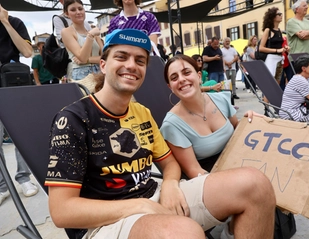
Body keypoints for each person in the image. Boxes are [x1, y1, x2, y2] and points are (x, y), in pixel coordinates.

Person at [45, 28, 275, 239]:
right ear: (103, 65)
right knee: (184, 233)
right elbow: (62, 212)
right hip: (104, 222)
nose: (132, 65)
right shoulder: (73, 119)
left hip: (153, 197)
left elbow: (169, 163)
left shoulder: (141, 113)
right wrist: (140, 206)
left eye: (140, 60)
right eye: (122, 57)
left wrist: (171, 184)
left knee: (255, 184)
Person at [160, 54, 275, 238]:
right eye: (174, 78)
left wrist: (250, 120)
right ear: (170, 87)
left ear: (198, 76)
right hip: (207, 177)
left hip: (239, 163)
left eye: (186, 72)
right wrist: (233, 187)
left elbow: (238, 133)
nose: (181, 80)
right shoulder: (171, 125)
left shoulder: (221, 99)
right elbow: (193, 170)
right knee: (252, 193)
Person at [0, 6, 38, 205]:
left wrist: (5, 22)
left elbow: (27, 51)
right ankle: (2, 185)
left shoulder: (15, 22)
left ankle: (24, 178)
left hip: (14, 82)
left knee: (20, 136)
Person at [61, 0, 103, 81]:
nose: (78, 12)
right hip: (80, 73)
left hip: (99, 73)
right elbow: (82, 57)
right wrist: (90, 36)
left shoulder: (93, 32)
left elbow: (105, 58)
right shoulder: (66, 32)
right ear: (67, 13)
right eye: (73, 10)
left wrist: (88, 60)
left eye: (80, 9)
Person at [260, 7, 289, 84]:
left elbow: (278, 45)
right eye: (279, 14)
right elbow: (261, 48)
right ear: (273, 17)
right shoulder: (268, 30)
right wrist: (277, 50)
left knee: (277, 84)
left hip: (280, 58)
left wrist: (285, 48)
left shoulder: (279, 31)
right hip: (271, 58)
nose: (281, 16)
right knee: (270, 84)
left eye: (281, 14)